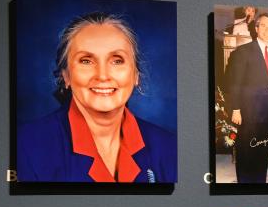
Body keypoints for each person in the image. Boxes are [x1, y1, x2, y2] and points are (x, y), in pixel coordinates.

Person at [16, 12, 177, 183]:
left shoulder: (168, 147)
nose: (102, 76)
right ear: (66, 76)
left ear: (136, 75)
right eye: (86, 61)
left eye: (117, 61)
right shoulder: (27, 145)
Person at [224, 13, 268, 183]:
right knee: (246, 150)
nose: (267, 30)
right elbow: (235, 82)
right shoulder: (243, 51)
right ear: (256, 28)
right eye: (263, 25)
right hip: (247, 112)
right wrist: (235, 108)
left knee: (264, 150)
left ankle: (259, 182)